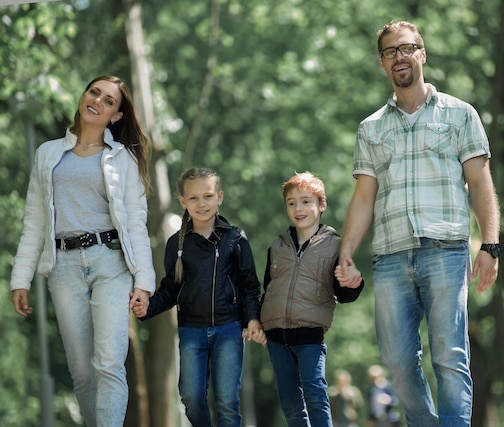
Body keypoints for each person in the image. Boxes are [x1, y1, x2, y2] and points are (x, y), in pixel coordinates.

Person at [335, 20, 501, 427]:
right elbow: (363, 197)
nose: (400, 57)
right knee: (396, 363)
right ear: (382, 62)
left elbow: (480, 182)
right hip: (390, 256)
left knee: (449, 356)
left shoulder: (460, 114)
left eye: (407, 48)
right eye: (391, 52)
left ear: (422, 53)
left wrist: (490, 245)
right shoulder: (371, 128)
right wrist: (345, 253)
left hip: (445, 250)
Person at [10, 75, 155, 427]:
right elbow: (34, 221)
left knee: (108, 363)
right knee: (82, 372)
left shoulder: (123, 159)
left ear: (116, 116)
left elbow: (136, 223)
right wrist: (20, 278)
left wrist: (144, 282)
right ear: (83, 95)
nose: (98, 102)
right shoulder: (48, 153)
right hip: (64, 267)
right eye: (94, 93)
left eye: (109, 101)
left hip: (111, 263)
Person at [132, 167, 265, 427]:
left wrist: (252, 319)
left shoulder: (235, 238)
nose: (201, 203)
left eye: (208, 196)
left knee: (227, 402)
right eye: (193, 198)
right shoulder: (176, 244)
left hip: (229, 328)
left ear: (220, 197)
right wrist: (148, 307)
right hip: (191, 330)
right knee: (191, 398)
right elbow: (171, 288)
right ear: (183, 202)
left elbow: (250, 285)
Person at [260, 171, 364, 427]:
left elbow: (345, 293)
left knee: (315, 393)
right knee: (290, 401)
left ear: (321, 205)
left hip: (309, 336)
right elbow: (268, 288)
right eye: (292, 203)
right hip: (276, 337)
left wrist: (353, 281)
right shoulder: (277, 245)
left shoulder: (335, 246)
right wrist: (257, 321)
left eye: (306, 201)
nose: (299, 208)